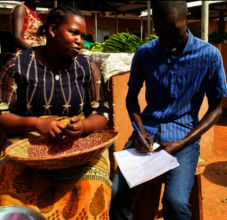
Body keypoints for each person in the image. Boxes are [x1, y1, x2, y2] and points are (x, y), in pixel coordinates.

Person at [110, 1, 227, 220]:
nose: (166, 38)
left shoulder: (209, 55)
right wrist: (138, 131)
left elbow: (215, 109)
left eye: (173, 31)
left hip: (184, 138)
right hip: (146, 135)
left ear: (187, 18)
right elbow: (131, 98)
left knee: (175, 204)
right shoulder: (145, 53)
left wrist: (181, 144)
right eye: (159, 31)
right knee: (117, 195)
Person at [0, 5, 111, 220]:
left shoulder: (87, 67)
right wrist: (35, 124)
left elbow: (102, 113)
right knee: (12, 186)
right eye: (74, 33)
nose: (80, 40)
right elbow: (2, 115)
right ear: (52, 30)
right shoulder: (18, 65)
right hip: (26, 146)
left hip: (78, 148)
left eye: (83, 35)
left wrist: (84, 127)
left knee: (92, 184)